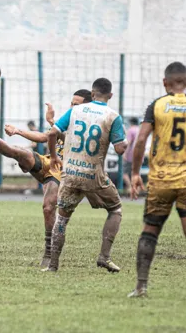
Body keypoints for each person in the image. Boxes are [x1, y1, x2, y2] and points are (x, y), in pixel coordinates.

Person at [128, 62, 186, 299]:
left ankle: (141, 287)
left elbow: (140, 141)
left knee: (150, 232)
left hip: (160, 180)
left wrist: (136, 173)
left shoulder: (157, 106)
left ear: (164, 83)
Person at [0, 89, 93, 267]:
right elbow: (46, 136)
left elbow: (56, 136)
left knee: (48, 206)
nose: (72, 107)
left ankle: (49, 250)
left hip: (69, 171)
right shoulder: (68, 119)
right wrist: (19, 131)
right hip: (51, 163)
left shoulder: (92, 126)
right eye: (71, 104)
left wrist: (49, 123)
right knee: (21, 153)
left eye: (77, 105)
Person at [45, 78, 128, 273]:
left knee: (62, 219)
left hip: (70, 173)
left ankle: (53, 265)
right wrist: (124, 142)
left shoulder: (75, 111)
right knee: (115, 209)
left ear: (92, 94)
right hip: (93, 175)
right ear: (111, 95)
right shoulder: (113, 116)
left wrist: (54, 157)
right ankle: (104, 257)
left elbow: (51, 133)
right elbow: (120, 149)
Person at [122, 117, 140, 191]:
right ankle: (137, 188)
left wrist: (125, 154)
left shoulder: (130, 130)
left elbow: (128, 143)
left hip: (131, 154)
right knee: (136, 171)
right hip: (139, 154)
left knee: (124, 172)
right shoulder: (139, 130)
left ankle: (130, 187)